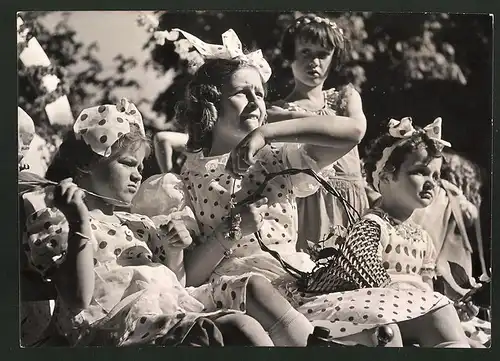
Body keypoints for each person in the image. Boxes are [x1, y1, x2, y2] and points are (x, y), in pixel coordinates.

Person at [132, 30, 414, 346]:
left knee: (382, 328)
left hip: (295, 280)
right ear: (211, 102)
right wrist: (233, 229)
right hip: (239, 292)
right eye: (242, 92)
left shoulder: (276, 158)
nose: (255, 101)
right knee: (258, 290)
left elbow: (352, 133)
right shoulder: (183, 183)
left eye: (260, 94)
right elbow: (189, 277)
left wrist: (266, 133)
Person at [23, 99, 321, 347]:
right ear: (85, 165)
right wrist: (78, 221)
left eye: (141, 166)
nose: (138, 174)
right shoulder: (59, 223)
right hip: (117, 325)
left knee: (254, 288)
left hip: (171, 305)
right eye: (127, 163)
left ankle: (313, 347)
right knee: (239, 327)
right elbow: (77, 299)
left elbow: (177, 282)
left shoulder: (137, 223)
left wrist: (174, 249)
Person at [341, 116, 471, 347]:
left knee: (468, 340)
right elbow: (364, 284)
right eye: (421, 171)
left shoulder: (423, 239)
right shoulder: (372, 226)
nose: (431, 182)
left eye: (436, 176)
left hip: (416, 315)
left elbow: (427, 289)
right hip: (380, 314)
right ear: (386, 176)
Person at [266, 14, 370, 249]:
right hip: (305, 204)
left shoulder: (345, 98)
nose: (314, 62)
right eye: (306, 52)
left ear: (333, 59)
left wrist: (296, 117)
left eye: (323, 54)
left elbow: (357, 128)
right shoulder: (276, 111)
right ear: (291, 54)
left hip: (349, 202)